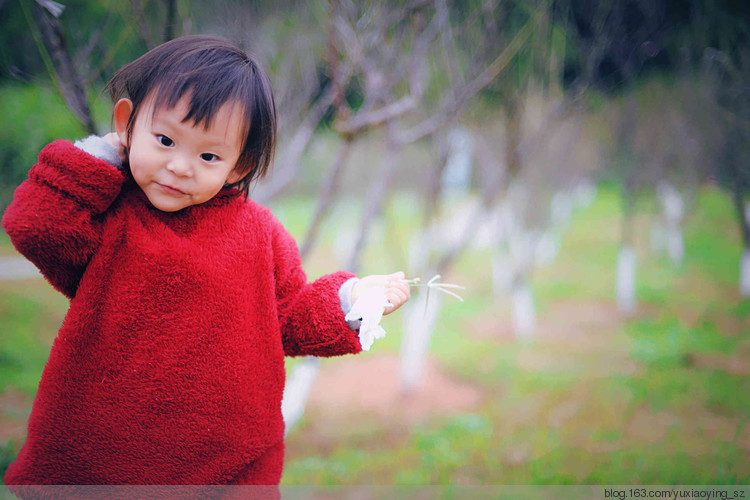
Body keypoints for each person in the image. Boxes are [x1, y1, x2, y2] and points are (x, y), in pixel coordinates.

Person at [2, 34, 410, 487]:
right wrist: (105, 153)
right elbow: (39, 225)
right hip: (103, 454)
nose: (180, 166)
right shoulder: (112, 212)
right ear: (127, 123)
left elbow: (290, 318)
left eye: (208, 155)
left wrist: (353, 299)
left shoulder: (259, 233)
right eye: (164, 139)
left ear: (238, 166)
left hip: (229, 463)